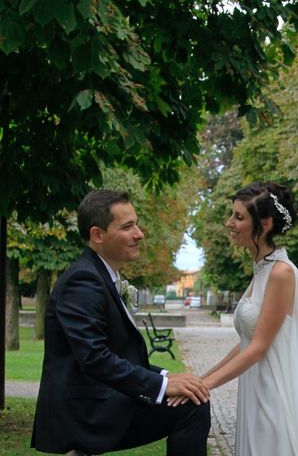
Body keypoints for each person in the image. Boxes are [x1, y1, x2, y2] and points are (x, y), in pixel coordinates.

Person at [169, 182, 298, 455]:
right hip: (256, 389)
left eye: (239, 217)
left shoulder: (281, 273)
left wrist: (206, 386)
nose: (230, 223)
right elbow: (246, 341)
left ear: (264, 224)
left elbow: (258, 349)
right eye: (232, 215)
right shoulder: (262, 270)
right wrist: (198, 381)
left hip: (274, 392)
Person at [31, 190, 211, 455]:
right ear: (98, 235)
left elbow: (119, 352)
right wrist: (162, 387)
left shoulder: (101, 275)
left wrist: (166, 376)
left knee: (191, 398)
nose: (139, 234)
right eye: (128, 227)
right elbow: (94, 357)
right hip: (84, 412)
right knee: (192, 407)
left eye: (136, 224)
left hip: (101, 398)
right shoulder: (83, 280)